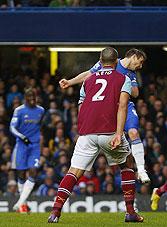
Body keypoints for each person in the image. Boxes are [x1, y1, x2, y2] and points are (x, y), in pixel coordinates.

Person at [48, 47, 144, 223]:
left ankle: (55, 212)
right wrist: (117, 133)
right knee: (127, 163)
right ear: (116, 62)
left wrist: (81, 129)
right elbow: (123, 106)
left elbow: (81, 106)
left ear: (100, 60)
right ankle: (130, 212)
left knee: (74, 172)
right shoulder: (123, 78)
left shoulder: (89, 80)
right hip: (109, 132)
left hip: (87, 133)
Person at [59, 48, 150, 183]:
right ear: (134, 56)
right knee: (121, 159)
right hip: (107, 105)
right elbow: (88, 75)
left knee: (133, 132)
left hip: (124, 104)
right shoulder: (110, 62)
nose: (140, 66)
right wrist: (70, 82)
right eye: (140, 62)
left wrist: (120, 80)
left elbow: (135, 93)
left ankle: (141, 170)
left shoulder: (130, 74)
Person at [10, 88, 45, 213]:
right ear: (25, 98)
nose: (32, 100)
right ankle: (23, 205)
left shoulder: (41, 110)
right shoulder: (19, 110)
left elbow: (40, 125)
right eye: (29, 98)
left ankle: (19, 203)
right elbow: (12, 127)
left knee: (33, 171)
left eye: (33, 97)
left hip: (34, 146)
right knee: (20, 174)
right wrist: (22, 137)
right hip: (21, 145)